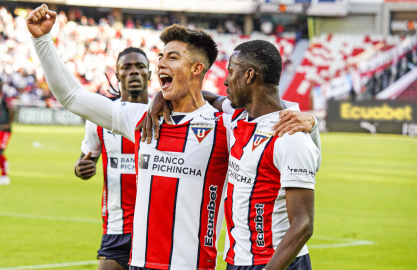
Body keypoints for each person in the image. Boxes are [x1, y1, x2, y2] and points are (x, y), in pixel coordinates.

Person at [27, 5, 317, 269]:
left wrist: (311, 122)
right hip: (140, 264)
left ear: (196, 69)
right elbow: (73, 97)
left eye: (173, 57)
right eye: (161, 57)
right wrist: (42, 40)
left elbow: (271, 125)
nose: (161, 63)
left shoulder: (227, 126)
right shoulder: (143, 120)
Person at [141, 41, 321, 270]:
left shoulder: (290, 135)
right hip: (237, 261)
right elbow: (205, 97)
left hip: (277, 263)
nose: (225, 81)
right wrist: (162, 96)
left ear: (249, 75)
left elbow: (303, 224)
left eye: (231, 72)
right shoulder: (237, 117)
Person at [74, 47, 151, 270]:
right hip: (117, 226)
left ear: (150, 73)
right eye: (126, 67)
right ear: (117, 75)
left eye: (140, 67)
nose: (134, 72)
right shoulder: (99, 118)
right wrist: (81, 169)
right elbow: (85, 160)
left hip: (156, 225)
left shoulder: (166, 114)